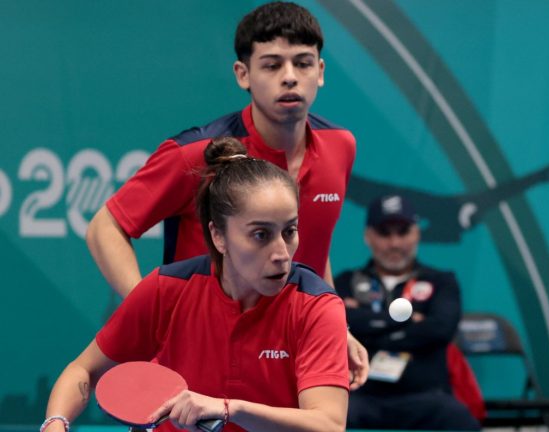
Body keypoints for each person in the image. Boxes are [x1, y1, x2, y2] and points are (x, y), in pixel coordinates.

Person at [84, 1, 368, 387]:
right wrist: (152, 309)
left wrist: (337, 326)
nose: (289, 77)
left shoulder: (341, 146)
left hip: (286, 350)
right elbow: (106, 227)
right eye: (271, 65)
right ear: (243, 74)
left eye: (302, 63)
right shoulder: (197, 152)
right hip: (199, 354)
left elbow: (315, 245)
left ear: (320, 72)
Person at [42, 138, 349, 432]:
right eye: (261, 235)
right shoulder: (167, 289)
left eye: (289, 231)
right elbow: (82, 371)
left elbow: (328, 424)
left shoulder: (316, 306)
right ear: (218, 236)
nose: (282, 253)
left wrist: (229, 409)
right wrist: (55, 423)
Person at [334, 195, 481, 431]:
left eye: (403, 232)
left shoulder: (442, 282)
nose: (394, 243)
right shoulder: (345, 282)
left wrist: (366, 324)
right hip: (362, 395)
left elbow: (440, 330)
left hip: (425, 397)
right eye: (384, 233)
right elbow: (336, 326)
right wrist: (407, 322)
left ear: (417, 234)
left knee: (459, 418)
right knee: (325, 416)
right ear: (368, 236)